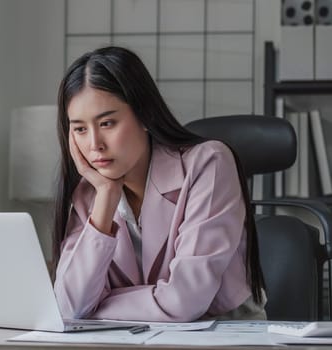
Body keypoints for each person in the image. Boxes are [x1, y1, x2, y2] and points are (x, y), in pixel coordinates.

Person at [52, 46, 266, 322]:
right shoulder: (88, 193)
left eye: (107, 123)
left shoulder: (208, 163)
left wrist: (98, 309)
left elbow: (184, 301)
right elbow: (69, 307)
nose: (95, 145)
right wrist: (105, 196)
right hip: (134, 340)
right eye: (80, 129)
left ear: (144, 115)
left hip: (224, 334)